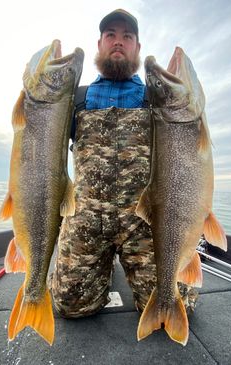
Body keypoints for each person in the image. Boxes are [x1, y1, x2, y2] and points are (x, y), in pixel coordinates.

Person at [50, 9, 197, 318]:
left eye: (127, 36)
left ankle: (133, 266)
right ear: (100, 44)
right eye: (111, 35)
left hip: (144, 219)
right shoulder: (75, 98)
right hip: (86, 217)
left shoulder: (156, 99)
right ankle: (97, 272)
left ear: (137, 48)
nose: (119, 41)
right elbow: (43, 148)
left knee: (173, 305)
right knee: (70, 307)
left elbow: (182, 150)